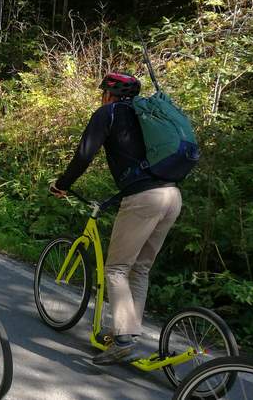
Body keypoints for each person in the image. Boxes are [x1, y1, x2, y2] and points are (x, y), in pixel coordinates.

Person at [49, 72, 182, 365]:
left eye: (102, 93)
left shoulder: (107, 113)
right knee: (141, 269)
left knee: (117, 269)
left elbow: (84, 155)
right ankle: (129, 333)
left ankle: (123, 338)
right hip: (172, 196)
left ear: (109, 94)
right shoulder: (147, 115)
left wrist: (62, 184)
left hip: (144, 199)